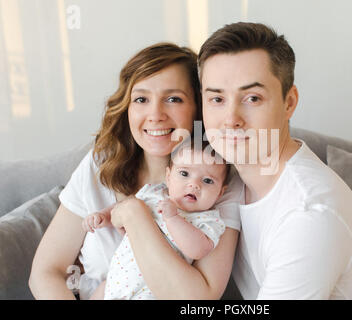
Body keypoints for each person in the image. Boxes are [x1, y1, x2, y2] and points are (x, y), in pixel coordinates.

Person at [29, 43, 243, 300]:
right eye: (141, 99)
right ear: (127, 107)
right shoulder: (101, 162)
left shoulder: (218, 181)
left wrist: (134, 215)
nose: (155, 115)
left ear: (198, 107)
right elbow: (46, 272)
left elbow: (199, 299)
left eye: (173, 99)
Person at [198, 22, 352, 299]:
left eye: (252, 98)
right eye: (217, 99)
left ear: (289, 102)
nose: (231, 119)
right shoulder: (228, 182)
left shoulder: (310, 214)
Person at [82, 141, 230, 300]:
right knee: (101, 290)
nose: (194, 185)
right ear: (168, 176)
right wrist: (103, 216)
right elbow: (122, 207)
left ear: (220, 193)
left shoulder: (209, 220)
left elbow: (199, 250)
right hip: (117, 280)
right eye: (184, 174)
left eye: (207, 181)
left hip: (151, 291)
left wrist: (173, 218)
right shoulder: (153, 192)